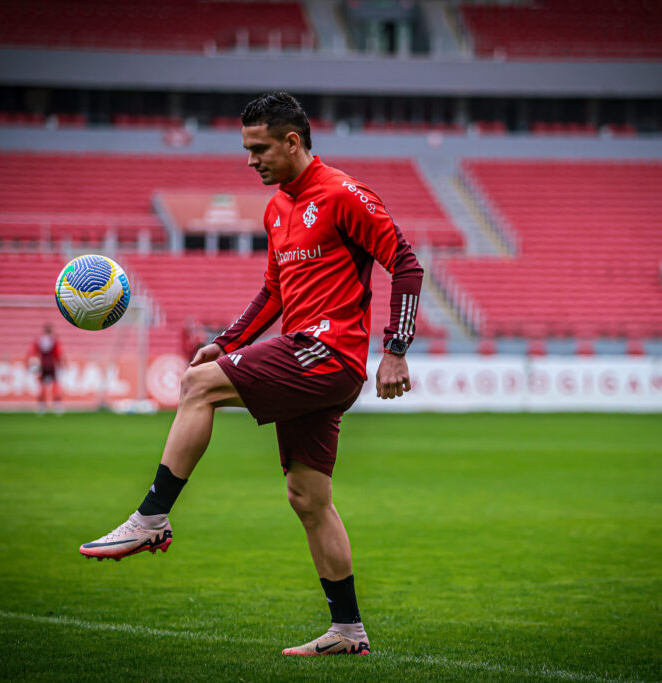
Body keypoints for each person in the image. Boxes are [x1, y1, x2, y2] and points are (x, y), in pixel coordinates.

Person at [79, 92, 423, 657]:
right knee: (308, 497)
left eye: (258, 147)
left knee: (196, 388)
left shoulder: (345, 196)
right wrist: (225, 343)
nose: (249, 160)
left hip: (327, 352)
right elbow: (273, 292)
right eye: (246, 149)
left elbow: (405, 264)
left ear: (292, 142)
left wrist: (397, 349)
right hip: (304, 352)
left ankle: (152, 517)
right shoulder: (275, 209)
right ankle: (347, 630)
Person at [29, 324, 63, 414]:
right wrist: (60, 363)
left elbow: (34, 352)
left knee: (42, 385)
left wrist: (34, 364)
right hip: (51, 365)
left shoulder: (40, 340)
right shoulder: (54, 340)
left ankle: (41, 405)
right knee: (55, 384)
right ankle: (57, 404)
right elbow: (58, 354)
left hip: (43, 364)